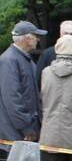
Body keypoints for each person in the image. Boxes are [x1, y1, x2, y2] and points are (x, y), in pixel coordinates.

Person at [0, 20, 47, 149]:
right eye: (36, 36)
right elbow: (12, 98)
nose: (38, 39)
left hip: (20, 130)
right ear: (27, 38)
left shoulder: (22, 59)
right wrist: (25, 126)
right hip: (15, 132)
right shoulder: (10, 60)